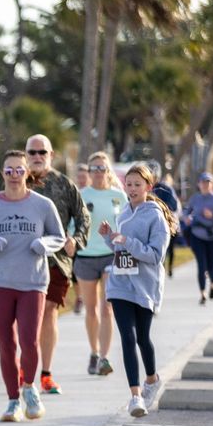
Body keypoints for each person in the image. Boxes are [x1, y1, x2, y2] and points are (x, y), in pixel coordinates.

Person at [0, 150, 65, 423]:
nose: (14, 175)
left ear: (28, 172)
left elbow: (59, 236)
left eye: (19, 170)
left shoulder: (41, 205)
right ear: (2, 173)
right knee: (6, 344)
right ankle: (13, 400)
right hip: (0, 282)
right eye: (9, 170)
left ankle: (30, 387)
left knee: (29, 341)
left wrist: (45, 245)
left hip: (33, 282)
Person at [98, 163, 174, 417]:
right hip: (120, 284)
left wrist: (125, 240)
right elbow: (120, 251)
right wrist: (110, 237)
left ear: (148, 187)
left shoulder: (155, 216)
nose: (131, 189)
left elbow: (155, 255)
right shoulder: (123, 213)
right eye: (128, 184)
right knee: (128, 339)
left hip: (145, 286)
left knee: (143, 338)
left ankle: (151, 379)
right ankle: (135, 397)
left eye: (136, 185)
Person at [25, 134, 88, 396]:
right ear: (26, 155)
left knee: (49, 311)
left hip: (56, 261)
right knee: (26, 319)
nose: (37, 157)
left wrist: (76, 239)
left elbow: (83, 217)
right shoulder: (17, 182)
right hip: (22, 261)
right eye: (32, 152)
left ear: (51, 155)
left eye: (43, 152)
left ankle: (46, 374)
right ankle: (25, 369)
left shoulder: (65, 184)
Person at [75, 151, 125, 377]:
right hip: (85, 256)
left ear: (108, 171)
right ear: (89, 171)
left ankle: (104, 358)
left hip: (110, 255)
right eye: (93, 168)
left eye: (102, 168)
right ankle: (93, 352)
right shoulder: (81, 195)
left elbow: (127, 223)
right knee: (91, 308)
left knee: (107, 307)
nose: (97, 172)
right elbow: (71, 225)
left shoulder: (119, 196)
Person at [181, 172, 213, 304]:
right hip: (197, 235)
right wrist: (187, 218)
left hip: (212, 236)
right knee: (201, 265)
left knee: (211, 265)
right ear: (199, 184)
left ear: (212, 184)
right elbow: (186, 211)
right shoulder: (195, 198)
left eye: (208, 182)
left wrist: (212, 215)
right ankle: (203, 293)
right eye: (203, 182)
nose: (205, 185)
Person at [148, 161, 180, 278]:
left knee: (165, 251)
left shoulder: (165, 189)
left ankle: (166, 269)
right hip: (145, 228)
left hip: (162, 226)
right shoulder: (140, 187)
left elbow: (174, 206)